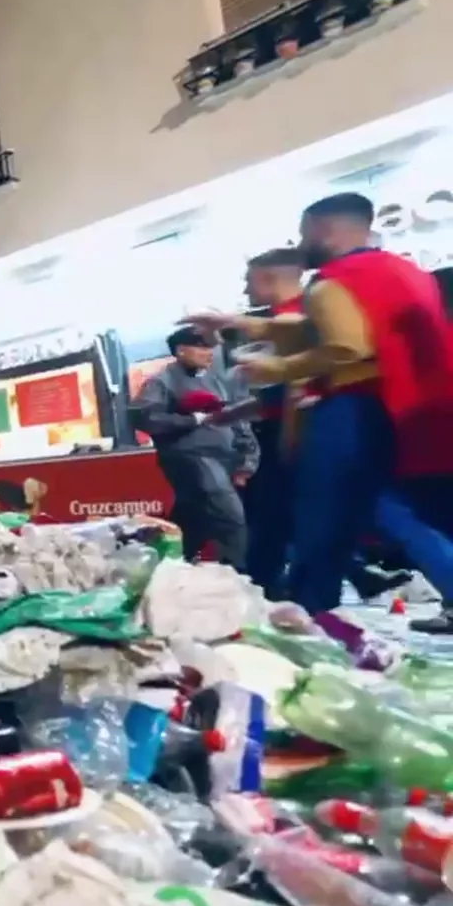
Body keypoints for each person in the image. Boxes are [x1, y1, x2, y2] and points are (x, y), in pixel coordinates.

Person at [187, 193, 453, 649]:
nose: (302, 240)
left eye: (305, 229)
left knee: (325, 524)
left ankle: (309, 625)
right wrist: (241, 324)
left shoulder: (333, 282)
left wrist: (273, 369)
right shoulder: (401, 271)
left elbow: (347, 346)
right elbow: (320, 329)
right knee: (398, 512)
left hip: (353, 407)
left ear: (324, 229)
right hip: (406, 406)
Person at [229, 247, 410, 600]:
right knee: (308, 523)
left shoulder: (312, 308)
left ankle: (289, 601)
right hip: (310, 428)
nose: (246, 289)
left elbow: (302, 383)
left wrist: (291, 436)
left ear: (268, 278)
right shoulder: (299, 314)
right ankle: (335, 584)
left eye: (249, 280)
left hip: (316, 429)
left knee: (302, 523)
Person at [131, 327, 256, 566]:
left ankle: (168, 571)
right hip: (192, 459)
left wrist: (247, 459)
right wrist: (191, 420)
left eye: (211, 347)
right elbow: (143, 417)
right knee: (230, 520)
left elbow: (236, 419)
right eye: (201, 346)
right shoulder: (161, 381)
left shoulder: (214, 380)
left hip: (224, 461)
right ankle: (236, 582)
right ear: (181, 350)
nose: (209, 352)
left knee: (190, 524)